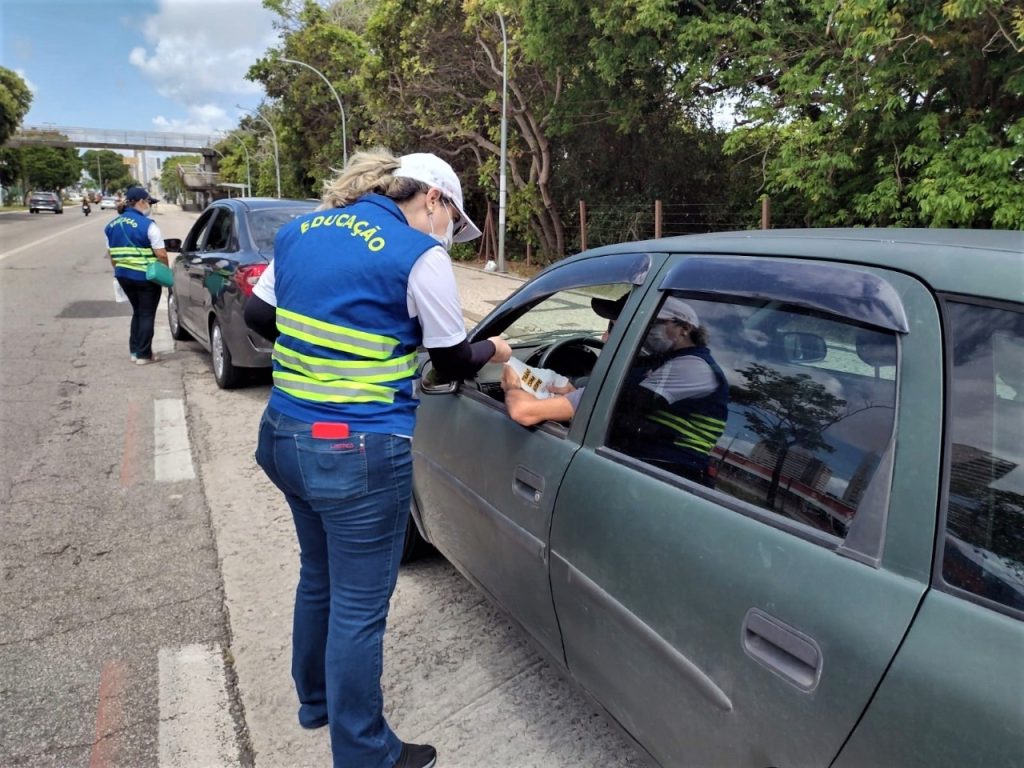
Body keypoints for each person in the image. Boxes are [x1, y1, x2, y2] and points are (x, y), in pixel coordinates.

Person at [243, 148, 511, 768]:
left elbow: (259, 313)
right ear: (434, 200)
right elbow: (450, 360)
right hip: (357, 449)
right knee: (361, 609)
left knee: (319, 575)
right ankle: (365, 753)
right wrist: (494, 347)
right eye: (453, 221)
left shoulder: (303, 229)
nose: (450, 235)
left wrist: (327, 347)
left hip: (285, 430)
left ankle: (315, 701)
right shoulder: (420, 257)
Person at [613, 297, 729, 486]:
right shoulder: (663, 359)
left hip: (674, 469)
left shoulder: (694, 366)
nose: (648, 330)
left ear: (685, 328)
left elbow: (622, 400)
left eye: (656, 324)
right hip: (649, 463)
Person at [502, 294, 625, 426]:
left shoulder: (616, 389)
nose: (604, 337)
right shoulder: (642, 381)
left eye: (614, 328)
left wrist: (513, 386)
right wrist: (573, 395)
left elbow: (523, 412)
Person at [105, 186, 167, 364]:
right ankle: (144, 355)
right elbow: (161, 254)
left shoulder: (110, 226)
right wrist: (164, 273)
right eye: (149, 202)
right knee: (147, 314)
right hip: (145, 277)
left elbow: (112, 256)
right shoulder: (148, 225)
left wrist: (121, 271)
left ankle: (134, 351)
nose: (150, 206)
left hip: (123, 276)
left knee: (138, 312)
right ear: (140, 202)